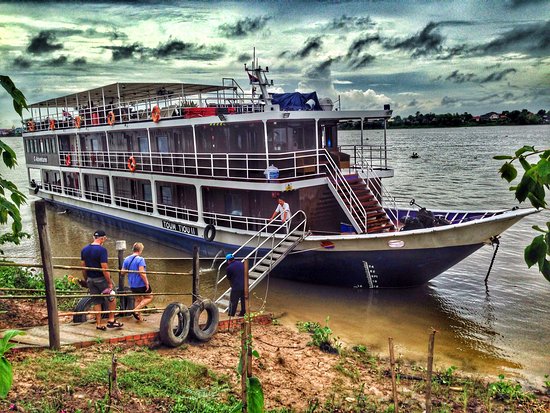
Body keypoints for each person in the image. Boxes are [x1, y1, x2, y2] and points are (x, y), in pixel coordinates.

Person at [80, 230, 123, 330]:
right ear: (102, 238)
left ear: (94, 237)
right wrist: (109, 282)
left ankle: (98, 324)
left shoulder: (84, 250)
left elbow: (83, 267)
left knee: (96, 301)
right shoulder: (102, 250)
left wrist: (87, 279)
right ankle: (111, 320)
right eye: (105, 238)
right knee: (112, 296)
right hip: (101, 279)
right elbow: (104, 268)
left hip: (91, 279)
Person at [121, 242, 152, 321]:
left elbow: (122, 272)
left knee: (138, 299)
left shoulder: (127, 259)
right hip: (140, 284)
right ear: (140, 250)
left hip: (132, 284)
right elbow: (142, 273)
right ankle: (136, 310)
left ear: (133, 249)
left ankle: (139, 318)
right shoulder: (140, 259)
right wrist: (147, 283)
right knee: (149, 297)